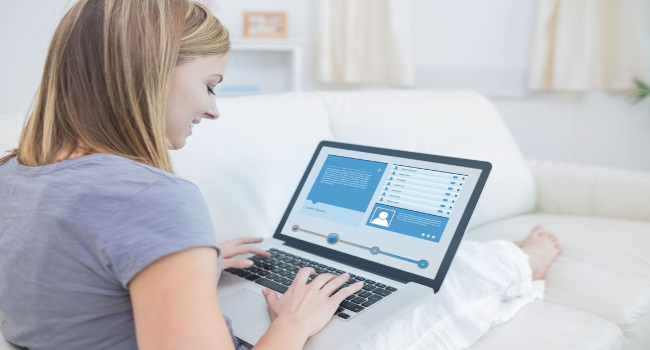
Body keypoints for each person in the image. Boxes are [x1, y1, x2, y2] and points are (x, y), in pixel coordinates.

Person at [0, 0, 562, 349]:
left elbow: (73, 281)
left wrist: (181, 263)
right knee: (453, 282)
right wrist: (292, 325)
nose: (215, 109)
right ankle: (521, 261)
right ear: (149, 75)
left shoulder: (15, 172)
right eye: (211, 83)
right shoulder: (154, 200)